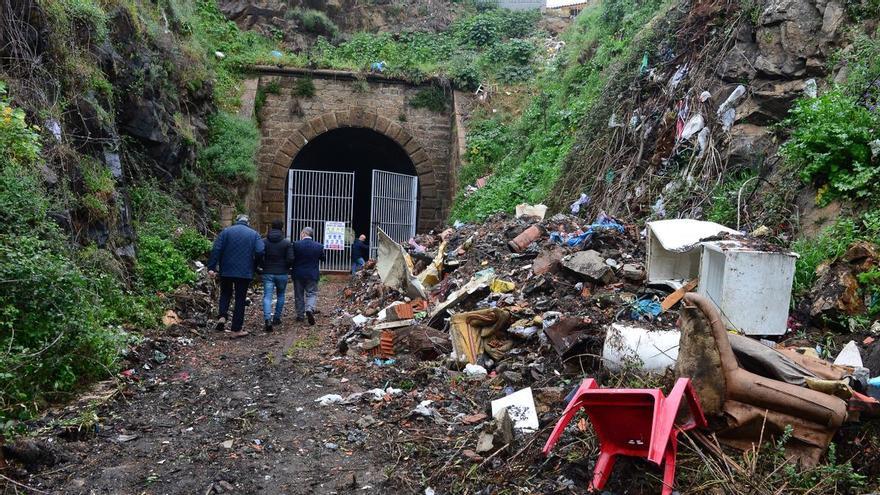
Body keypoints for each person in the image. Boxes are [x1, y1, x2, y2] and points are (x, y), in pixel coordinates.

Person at [208, 214, 265, 338]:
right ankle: (236, 329)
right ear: (248, 222)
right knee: (240, 299)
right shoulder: (254, 234)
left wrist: (211, 267)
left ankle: (222, 316)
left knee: (225, 293)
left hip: (226, 270)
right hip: (244, 272)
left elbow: (216, 249)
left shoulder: (226, 232)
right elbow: (260, 251)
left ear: (236, 221)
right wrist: (256, 265)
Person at [260, 219, 294, 332]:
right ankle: (277, 318)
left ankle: (267, 319)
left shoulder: (264, 241)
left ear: (271, 227)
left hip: (267, 272)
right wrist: (286, 267)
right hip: (282, 273)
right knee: (281, 295)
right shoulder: (286, 242)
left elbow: (259, 254)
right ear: (282, 228)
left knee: (267, 296)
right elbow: (290, 258)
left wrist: (262, 266)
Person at [291, 226, 325, 325]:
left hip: (298, 273)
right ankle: (309, 309)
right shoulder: (319, 246)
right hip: (312, 274)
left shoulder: (296, 244)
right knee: (312, 293)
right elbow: (323, 258)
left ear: (303, 233)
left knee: (299, 295)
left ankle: (300, 316)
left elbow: (291, 258)